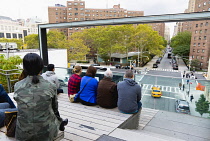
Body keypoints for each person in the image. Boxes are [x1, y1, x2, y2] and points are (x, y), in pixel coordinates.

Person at [14, 53, 68, 141]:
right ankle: (61, 123)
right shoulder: (50, 86)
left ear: (24, 68)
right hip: (46, 133)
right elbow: (55, 109)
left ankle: (61, 122)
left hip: (23, 133)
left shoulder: (17, 85)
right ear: (41, 67)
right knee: (54, 115)